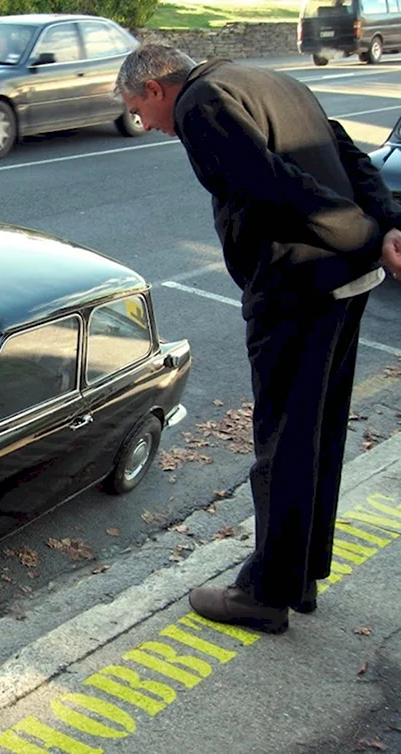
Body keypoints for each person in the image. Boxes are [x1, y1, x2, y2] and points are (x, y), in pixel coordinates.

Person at [114, 44, 401, 634]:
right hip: (347, 284)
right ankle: (302, 576)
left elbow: (271, 182)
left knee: (284, 443)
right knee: (318, 435)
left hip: (299, 288)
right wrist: (388, 223)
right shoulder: (266, 79)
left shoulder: (200, 104)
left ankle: (266, 596)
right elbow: (347, 148)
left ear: (156, 88)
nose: (144, 124)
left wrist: (359, 231)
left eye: (138, 109)